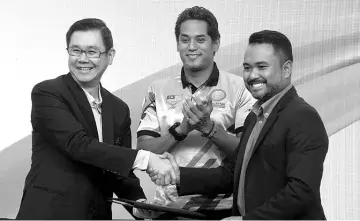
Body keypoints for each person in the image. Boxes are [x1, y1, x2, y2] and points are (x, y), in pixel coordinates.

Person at [157, 30, 329, 220]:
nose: (252, 75)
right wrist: (178, 176)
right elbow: (235, 173)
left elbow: (301, 192)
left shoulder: (303, 117)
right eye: (247, 68)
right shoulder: (254, 117)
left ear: (286, 69)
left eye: (262, 67)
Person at [16, 18, 176, 220]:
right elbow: (77, 145)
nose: (82, 59)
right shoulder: (47, 93)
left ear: (110, 56)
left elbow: (117, 170)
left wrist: (138, 203)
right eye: (75, 50)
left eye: (92, 52)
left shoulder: (118, 109)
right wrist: (147, 159)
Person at [136, 6, 255, 220]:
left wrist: (207, 128)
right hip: (169, 209)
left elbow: (248, 153)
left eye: (200, 39)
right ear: (177, 44)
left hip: (225, 209)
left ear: (215, 43)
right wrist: (182, 129)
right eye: (185, 40)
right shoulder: (158, 89)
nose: (191, 47)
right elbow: (144, 151)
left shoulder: (240, 88)